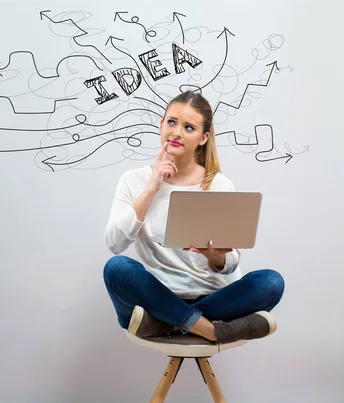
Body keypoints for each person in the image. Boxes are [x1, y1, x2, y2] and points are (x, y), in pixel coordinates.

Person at [102, 90, 285, 345]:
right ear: (161, 125)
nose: (177, 132)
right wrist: (152, 188)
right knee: (117, 269)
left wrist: (215, 257)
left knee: (271, 282)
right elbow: (114, 244)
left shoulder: (219, 184)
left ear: (203, 137)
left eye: (189, 127)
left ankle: (170, 324)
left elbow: (231, 263)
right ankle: (211, 331)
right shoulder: (134, 180)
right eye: (172, 122)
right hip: (155, 295)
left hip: (208, 298)